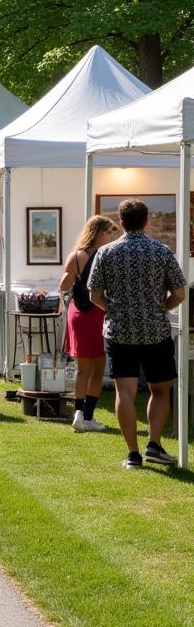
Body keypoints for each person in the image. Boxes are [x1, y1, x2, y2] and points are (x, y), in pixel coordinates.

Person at [88, 199, 186, 468]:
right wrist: (160, 308)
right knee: (160, 390)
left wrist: (115, 309)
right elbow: (179, 293)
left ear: (120, 222)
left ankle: (133, 453)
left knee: (125, 393)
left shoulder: (106, 253)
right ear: (147, 221)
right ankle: (153, 443)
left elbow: (94, 294)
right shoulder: (161, 251)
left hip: (120, 332)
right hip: (155, 331)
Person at [58, 215, 116, 433]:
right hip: (97, 312)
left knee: (82, 370)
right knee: (98, 369)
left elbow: (64, 285)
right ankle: (88, 416)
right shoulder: (105, 256)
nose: (111, 236)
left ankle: (79, 414)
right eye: (109, 232)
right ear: (99, 232)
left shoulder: (75, 255)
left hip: (77, 313)